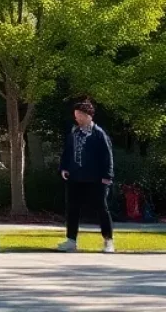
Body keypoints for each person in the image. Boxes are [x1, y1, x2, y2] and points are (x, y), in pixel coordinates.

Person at [57, 99, 114, 253]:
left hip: (96, 178)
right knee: (72, 208)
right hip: (75, 177)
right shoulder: (74, 133)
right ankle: (71, 240)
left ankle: (108, 241)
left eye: (80, 116)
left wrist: (107, 176)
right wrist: (64, 168)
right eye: (76, 116)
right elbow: (67, 152)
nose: (77, 119)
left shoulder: (99, 134)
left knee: (101, 208)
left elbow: (107, 156)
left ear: (88, 115)